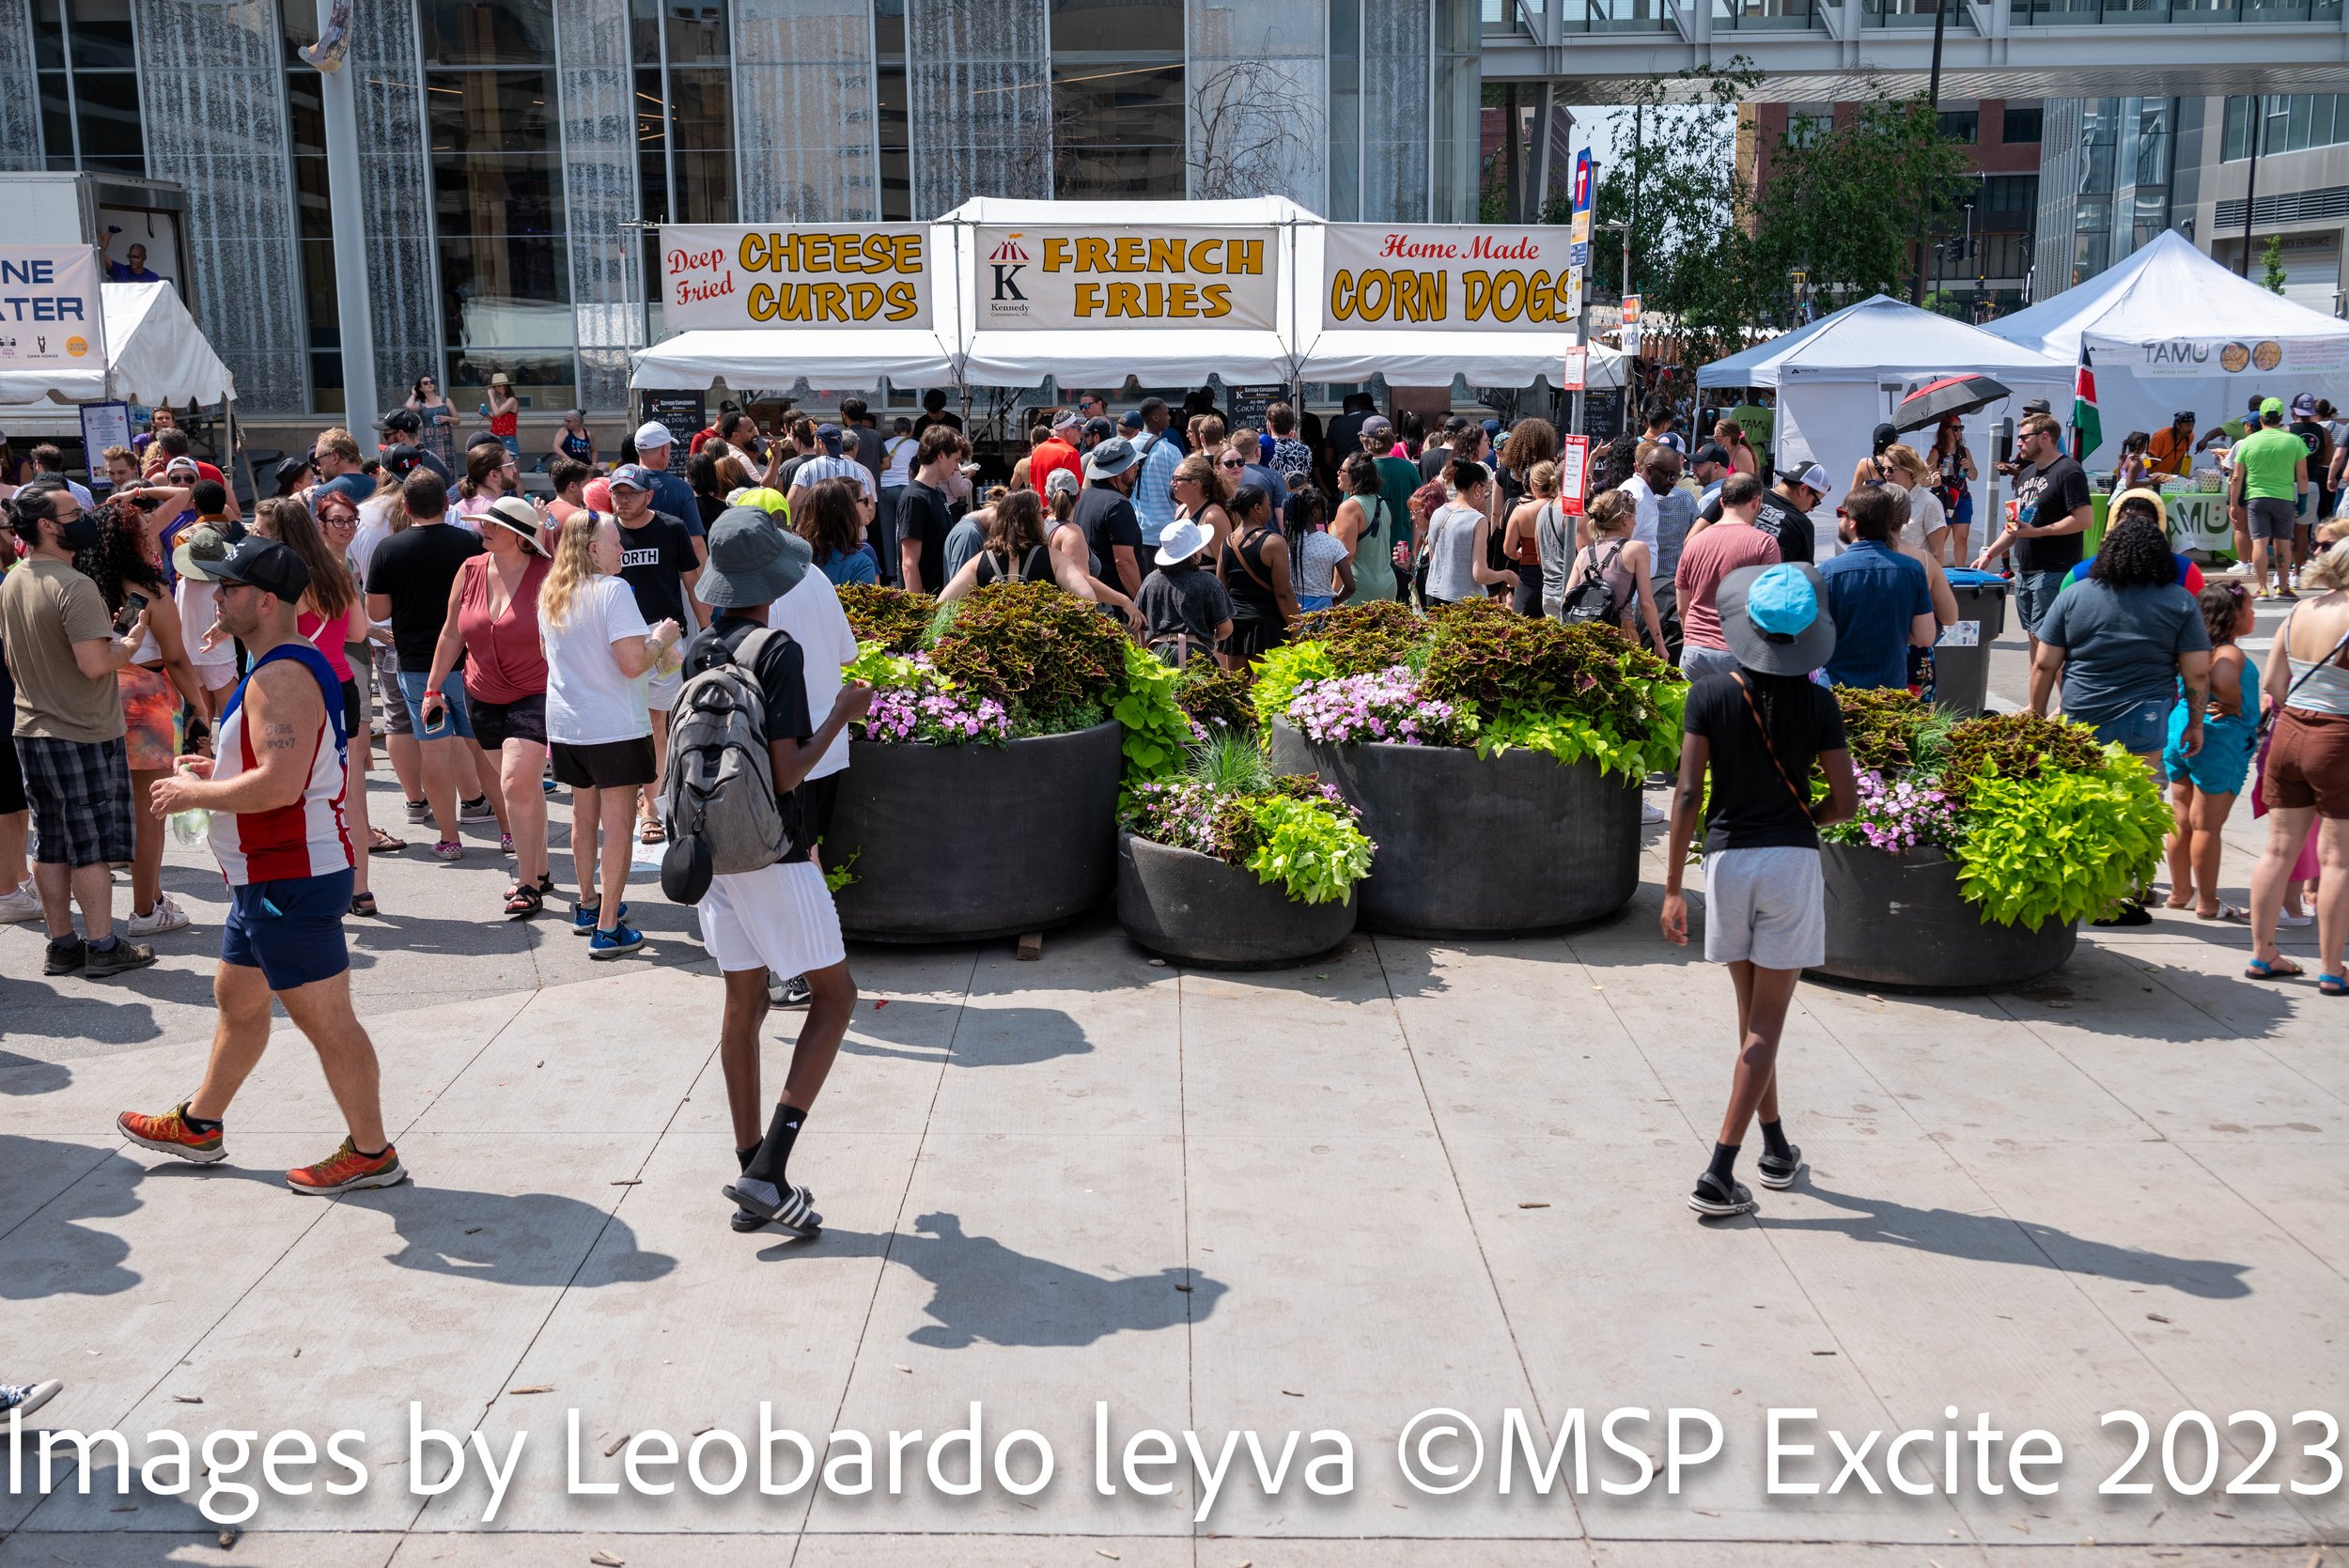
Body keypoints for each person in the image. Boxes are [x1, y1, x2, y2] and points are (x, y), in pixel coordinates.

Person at [120, 536, 405, 1195]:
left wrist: (194, 792)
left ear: (265, 601)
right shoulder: (278, 662)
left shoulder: (280, 676)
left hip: (291, 874)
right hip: (268, 874)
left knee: (326, 1018)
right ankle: (200, 1122)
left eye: (228, 588)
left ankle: (371, 1152)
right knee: (239, 1000)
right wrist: (213, 772)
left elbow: (279, 784)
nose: (216, 597)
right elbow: (274, 771)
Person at [675, 513, 874, 1235]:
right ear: (774, 581)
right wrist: (843, 713)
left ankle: (750, 1158)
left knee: (742, 1002)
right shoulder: (778, 650)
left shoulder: (702, 648)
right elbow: (789, 772)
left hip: (713, 851)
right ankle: (769, 1169)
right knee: (836, 996)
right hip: (775, 847)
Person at [1661, 561, 1859, 1219]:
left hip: (1726, 863)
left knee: (1751, 1022)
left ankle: (1775, 1146)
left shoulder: (1708, 694)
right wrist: (1808, 815)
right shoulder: (1821, 702)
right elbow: (1846, 802)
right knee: (1765, 1025)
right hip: (1789, 863)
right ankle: (1720, 1169)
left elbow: (1688, 793)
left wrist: (1668, 888)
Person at [2, 481, 157, 977]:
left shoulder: (12, 579)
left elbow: (14, 658)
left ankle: (63, 944)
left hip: (32, 726)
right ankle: (104, 945)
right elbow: (95, 664)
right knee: (89, 845)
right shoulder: (75, 585)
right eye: (74, 513)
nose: (86, 517)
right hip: (82, 729)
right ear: (47, 525)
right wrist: (128, 644)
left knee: (50, 841)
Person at [2031, 514, 2213, 925]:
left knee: (2085, 802)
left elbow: (2044, 664)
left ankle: (2083, 890)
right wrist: (2195, 722)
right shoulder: (2178, 601)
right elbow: (2198, 672)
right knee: (2137, 805)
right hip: (2146, 718)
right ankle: (2124, 894)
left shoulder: (2075, 595)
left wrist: (2039, 716)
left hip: (2082, 712)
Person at [538, 510, 679, 955]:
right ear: (593, 549)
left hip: (567, 724)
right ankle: (607, 928)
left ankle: (587, 905)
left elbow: (551, 656)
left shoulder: (551, 592)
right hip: (614, 725)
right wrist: (662, 637)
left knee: (584, 816)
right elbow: (633, 663)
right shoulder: (613, 590)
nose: (624, 549)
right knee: (618, 826)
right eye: (616, 542)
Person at [75, 497, 210, 937]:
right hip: (146, 702)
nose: (153, 534)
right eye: (145, 531)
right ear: (131, 541)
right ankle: (146, 909)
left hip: (92, 698)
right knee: (148, 813)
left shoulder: (82, 583)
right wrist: (201, 712)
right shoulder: (147, 591)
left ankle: (144, 902)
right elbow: (176, 658)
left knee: (101, 810)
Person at [419, 496, 553, 916]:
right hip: (481, 695)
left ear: (520, 535)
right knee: (524, 788)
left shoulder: (547, 576)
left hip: (535, 692)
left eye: (493, 524)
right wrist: (432, 689)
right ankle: (543, 868)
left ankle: (528, 883)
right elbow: (450, 635)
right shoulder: (470, 569)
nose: (483, 528)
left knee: (513, 786)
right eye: (483, 522)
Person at [365, 468, 494, 862]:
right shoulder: (471, 542)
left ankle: (449, 838)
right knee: (483, 748)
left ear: (405, 507)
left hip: (419, 666)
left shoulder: (389, 549)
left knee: (433, 750)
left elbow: (377, 610)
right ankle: (507, 830)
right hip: (472, 663)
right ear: (446, 503)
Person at [2245, 537, 2349, 988]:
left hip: (2289, 733)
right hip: (2339, 736)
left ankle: (2264, 954)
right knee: (2338, 858)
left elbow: (2272, 682)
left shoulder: (2299, 612)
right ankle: (2332, 968)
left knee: (2277, 850)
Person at [608, 463, 703, 844]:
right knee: (624, 721)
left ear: (649, 495)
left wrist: (708, 632)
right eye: (617, 492)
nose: (622, 499)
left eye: (630, 492)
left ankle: (651, 804)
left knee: (655, 723)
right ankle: (638, 792)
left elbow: (692, 581)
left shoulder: (671, 527)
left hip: (664, 637)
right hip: (616, 639)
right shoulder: (601, 531)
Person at [2162, 582, 2259, 922]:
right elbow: (2221, 679)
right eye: (2249, 609)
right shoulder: (2229, 652)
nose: (2254, 614)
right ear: (2232, 617)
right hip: (2217, 741)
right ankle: (2207, 901)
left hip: (2180, 732)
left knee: (2182, 818)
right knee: (2206, 827)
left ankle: (2179, 892)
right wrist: (2233, 703)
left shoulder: (2193, 645)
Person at [1976, 413, 2092, 661]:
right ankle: (2035, 700)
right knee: (2033, 636)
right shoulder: (2027, 475)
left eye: (2023, 437)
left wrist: (2037, 532)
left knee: (2050, 640)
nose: (2018, 443)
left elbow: (2084, 520)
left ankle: (2063, 702)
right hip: (2026, 571)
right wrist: (1990, 553)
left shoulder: (2069, 471)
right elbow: (2013, 527)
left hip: (2054, 570)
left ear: (2044, 437)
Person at [1818, 483, 1937, 691]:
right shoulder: (1912, 570)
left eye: (1841, 513)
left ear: (1853, 523)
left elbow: (1813, 638)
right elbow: (1925, 637)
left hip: (1837, 691)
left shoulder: (1828, 572)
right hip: (1889, 693)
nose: (1840, 520)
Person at [1674, 473, 1781, 681]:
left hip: (1694, 649)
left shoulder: (1693, 542)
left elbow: (1682, 607)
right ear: (1757, 501)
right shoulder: (1764, 544)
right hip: (1738, 650)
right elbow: (1770, 607)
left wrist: (1692, 637)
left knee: (1695, 712)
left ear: (1722, 502)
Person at [1562, 489, 1665, 656]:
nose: (1635, 523)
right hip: (1621, 632)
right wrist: (1660, 643)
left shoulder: (1584, 553)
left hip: (1586, 635)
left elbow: (1567, 598)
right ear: (1625, 519)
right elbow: (1646, 603)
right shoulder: (1636, 549)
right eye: (1634, 517)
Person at [2232, 396, 2310, 600]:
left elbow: (2237, 477)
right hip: (2284, 498)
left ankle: (2261, 588)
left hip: (2256, 498)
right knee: (2283, 542)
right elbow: (2302, 476)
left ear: (2262, 419)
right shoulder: (2294, 440)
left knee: (2259, 542)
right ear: (2281, 417)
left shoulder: (2248, 441)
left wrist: (2233, 504)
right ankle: (2283, 587)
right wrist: (2302, 500)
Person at [1216, 485, 1300, 665]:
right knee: (1269, 689)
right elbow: (1283, 592)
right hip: (1268, 626)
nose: (1270, 509)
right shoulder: (1274, 543)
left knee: (1238, 689)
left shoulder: (1227, 542)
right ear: (1257, 508)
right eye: (1268, 504)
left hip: (1236, 625)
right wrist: (1295, 628)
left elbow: (1221, 586)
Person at [1137, 518, 1234, 665]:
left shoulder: (1150, 581)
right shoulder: (1208, 582)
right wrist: (1212, 638)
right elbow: (1226, 628)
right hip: (1196, 656)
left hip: (1158, 655)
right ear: (1194, 551)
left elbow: (1139, 622)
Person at [1422, 459, 1516, 610]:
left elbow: (1434, 560)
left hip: (1433, 592)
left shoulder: (1438, 513)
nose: (1486, 494)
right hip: (1463, 600)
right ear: (1477, 488)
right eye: (1486, 490)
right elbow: (1480, 575)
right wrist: (1506, 575)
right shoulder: (1477, 520)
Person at [1074, 437, 1147, 598]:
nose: (1136, 468)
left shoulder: (1084, 497)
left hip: (1096, 597)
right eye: (1132, 464)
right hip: (1117, 605)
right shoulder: (1117, 504)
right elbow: (1124, 562)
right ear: (1120, 472)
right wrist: (1141, 604)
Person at [894, 427, 965, 594]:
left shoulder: (937, 493)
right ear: (940, 456)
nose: (957, 468)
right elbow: (909, 563)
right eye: (956, 460)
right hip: (927, 602)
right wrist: (920, 612)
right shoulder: (914, 499)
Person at [630, 422, 709, 565]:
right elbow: (696, 544)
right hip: (670, 574)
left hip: (626, 571)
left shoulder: (617, 487)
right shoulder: (681, 489)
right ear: (665, 450)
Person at [1330, 451, 1398, 610]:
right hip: (1386, 584)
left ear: (1355, 476)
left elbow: (1345, 556)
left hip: (1359, 591)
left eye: (1342, 470)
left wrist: (1333, 593)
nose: (1338, 473)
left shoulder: (1349, 507)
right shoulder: (1381, 503)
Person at [796, 476, 880, 587]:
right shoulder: (861, 563)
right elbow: (868, 602)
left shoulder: (792, 557)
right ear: (848, 511)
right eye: (865, 501)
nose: (870, 507)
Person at [1283, 484, 1351, 613]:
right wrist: (1335, 601)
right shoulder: (1332, 543)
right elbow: (1350, 587)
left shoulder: (1286, 542)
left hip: (1292, 610)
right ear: (1314, 511)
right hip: (1321, 611)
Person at [2289, 393, 2335, 574]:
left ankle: (2283, 572)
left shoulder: (2286, 431)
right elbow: (2327, 459)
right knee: (2302, 531)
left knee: (2283, 533)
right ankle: (2296, 572)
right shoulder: (2323, 432)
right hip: (2311, 482)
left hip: (2286, 483)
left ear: (2294, 411)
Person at [407, 374, 458, 472]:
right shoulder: (421, 404)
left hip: (446, 438)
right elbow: (409, 407)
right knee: (432, 466)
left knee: (448, 465)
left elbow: (457, 420)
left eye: (431, 382)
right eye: (425, 383)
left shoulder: (445, 400)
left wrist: (447, 419)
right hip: (429, 440)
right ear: (421, 388)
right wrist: (413, 394)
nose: (429, 384)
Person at [1029, 411, 1084, 498]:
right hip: (1062, 511)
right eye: (1078, 427)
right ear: (1067, 430)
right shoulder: (1070, 453)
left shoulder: (1037, 450)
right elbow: (1076, 492)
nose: (1080, 430)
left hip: (1041, 509)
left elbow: (1033, 486)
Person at [1849, 422, 1900, 491]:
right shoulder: (1900, 461)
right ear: (1895, 440)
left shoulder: (1865, 463)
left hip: (1872, 502)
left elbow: (1853, 493)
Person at [2146, 410, 2197, 478]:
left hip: (2165, 475)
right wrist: (2152, 478)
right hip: (2150, 474)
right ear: (2177, 425)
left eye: (2192, 425)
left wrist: (2174, 478)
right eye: (2187, 425)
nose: (2190, 429)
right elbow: (2148, 460)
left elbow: (2179, 458)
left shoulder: (2190, 436)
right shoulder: (2160, 436)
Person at [483, 372, 521, 460]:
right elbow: (496, 421)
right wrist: (487, 415)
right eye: (495, 387)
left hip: (508, 438)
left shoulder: (511, 400)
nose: (497, 389)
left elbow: (497, 413)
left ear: (506, 386)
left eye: (499, 386)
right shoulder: (498, 401)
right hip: (495, 437)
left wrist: (491, 397)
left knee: (512, 471)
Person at [549, 408, 597, 472]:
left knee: (604, 466)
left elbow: (594, 451)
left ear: (577, 422)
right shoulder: (564, 431)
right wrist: (569, 459)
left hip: (583, 464)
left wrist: (594, 463)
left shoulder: (587, 434)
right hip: (567, 464)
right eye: (565, 420)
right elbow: (556, 447)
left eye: (568, 421)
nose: (566, 423)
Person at [2115, 429, 2154, 494]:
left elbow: (2119, 479)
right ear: (2143, 446)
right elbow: (2129, 485)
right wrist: (2151, 482)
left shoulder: (2124, 458)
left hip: (2121, 495)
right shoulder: (2135, 462)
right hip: (2133, 496)